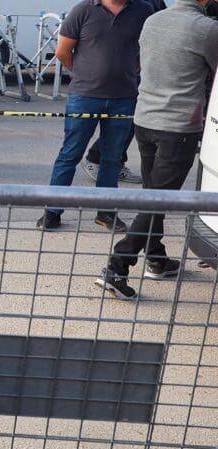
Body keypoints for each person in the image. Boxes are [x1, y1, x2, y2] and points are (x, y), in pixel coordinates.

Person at [96, 0, 218, 299]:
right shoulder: (207, 28)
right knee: (158, 200)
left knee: (153, 194)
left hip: (145, 119)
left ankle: (156, 258)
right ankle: (117, 267)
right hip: (178, 126)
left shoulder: (154, 20)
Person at [37, 0, 153, 232]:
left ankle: (106, 213)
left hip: (123, 99)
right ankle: (52, 212)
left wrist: (130, 71)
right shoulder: (83, 10)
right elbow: (62, 52)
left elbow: (147, 50)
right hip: (84, 97)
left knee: (112, 158)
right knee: (70, 154)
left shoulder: (143, 11)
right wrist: (86, 75)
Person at [81, 0, 167, 185]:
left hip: (135, 70)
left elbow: (161, 26)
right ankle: (96, 158)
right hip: (122, 76)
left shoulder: (152, 4)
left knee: (126, 124)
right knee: (125, 123)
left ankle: (110, 164)